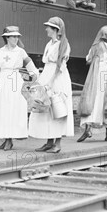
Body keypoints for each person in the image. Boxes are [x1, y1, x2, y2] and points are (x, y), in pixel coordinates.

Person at [0, 26, 39, 150]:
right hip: (1, 83)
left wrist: (34, 77)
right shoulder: (0, 52)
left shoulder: (21, 52)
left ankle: (10, 140)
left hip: (15, 83)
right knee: (2, 110)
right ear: (7, 38)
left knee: (12, 110)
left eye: (17, 36)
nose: (16, 39)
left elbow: (31, 67)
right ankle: (5, 138)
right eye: (13, 36)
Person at [28, 17, 74, 153]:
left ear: (56, 29)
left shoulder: (63, 44)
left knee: (57, 108)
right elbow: (47, 63)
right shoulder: (49, 44)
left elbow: (60, 66)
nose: (46, 29)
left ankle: (57, 143)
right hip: (47, 74)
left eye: (48, 27)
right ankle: (49, 142)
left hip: (57, 78)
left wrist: (50, 82)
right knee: (46, 109)